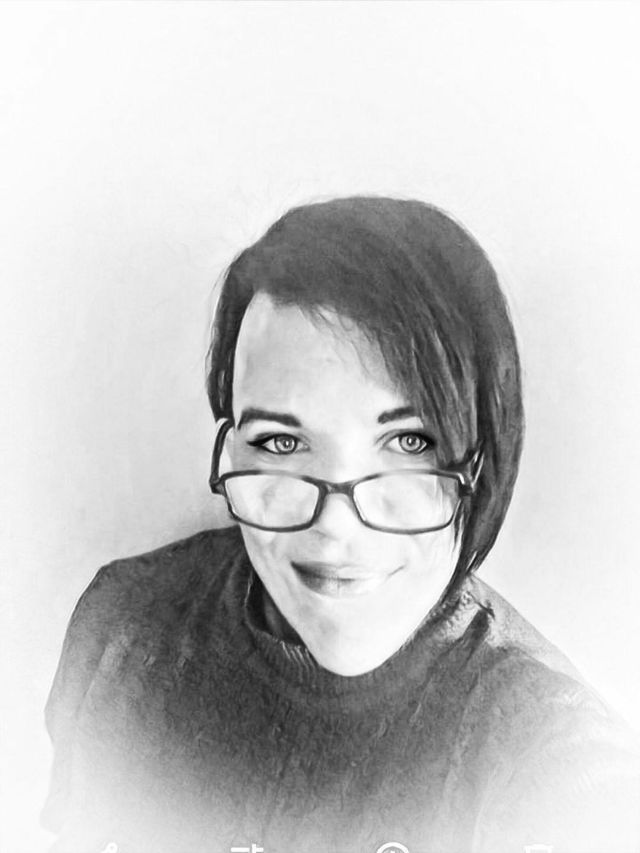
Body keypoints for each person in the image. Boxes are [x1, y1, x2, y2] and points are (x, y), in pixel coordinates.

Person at [42, 197, 639, 853]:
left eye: (411, 443)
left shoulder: (546, 763)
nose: (334, 526)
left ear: (481, 462)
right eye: (280, 442)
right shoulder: (123, 629)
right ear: (230, 451)